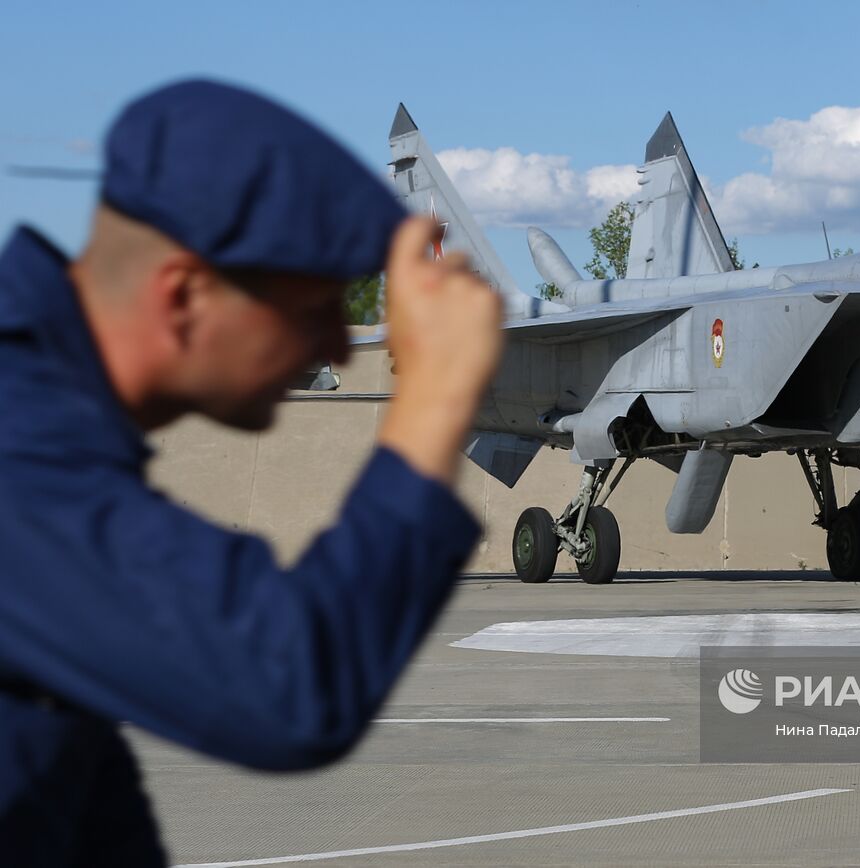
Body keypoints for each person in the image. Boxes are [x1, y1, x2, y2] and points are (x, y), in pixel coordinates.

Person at [0, 79, 503, 863]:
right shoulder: (19, 454)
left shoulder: (45, 434)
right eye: (313, 309)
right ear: (183, 295)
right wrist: (435, 397)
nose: (339, 347)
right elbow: (290, 686)